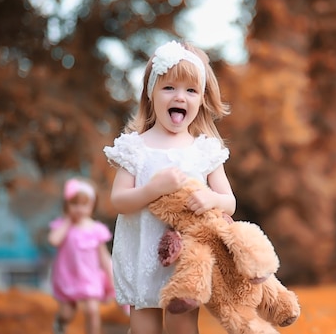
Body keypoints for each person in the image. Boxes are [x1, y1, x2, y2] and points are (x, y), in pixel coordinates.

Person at [103, 40, 236, 334]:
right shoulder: (135, 148)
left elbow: (230, 202)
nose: (180, 97)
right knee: (143, 329)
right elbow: (119, 200)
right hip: (143, 258)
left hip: (187, 261)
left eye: (190, 90)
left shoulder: (204, 151)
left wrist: (211, 198)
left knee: (183, 327)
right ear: (151, 93)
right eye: (169, 88)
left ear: (201, 99)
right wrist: (153, 188)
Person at [48, 177, 115, 334]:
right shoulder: (63, 226)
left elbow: (104, 257)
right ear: (67, 205)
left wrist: (111, 278)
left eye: (84, 205)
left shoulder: (95, 229)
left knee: (92, 310)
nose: (79, 209)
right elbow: (53, 240)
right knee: (67, 313)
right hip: (68, 276)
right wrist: (67, 221)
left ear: (92, 206)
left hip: (89, 276)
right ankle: (60, 322)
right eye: (74, 204)